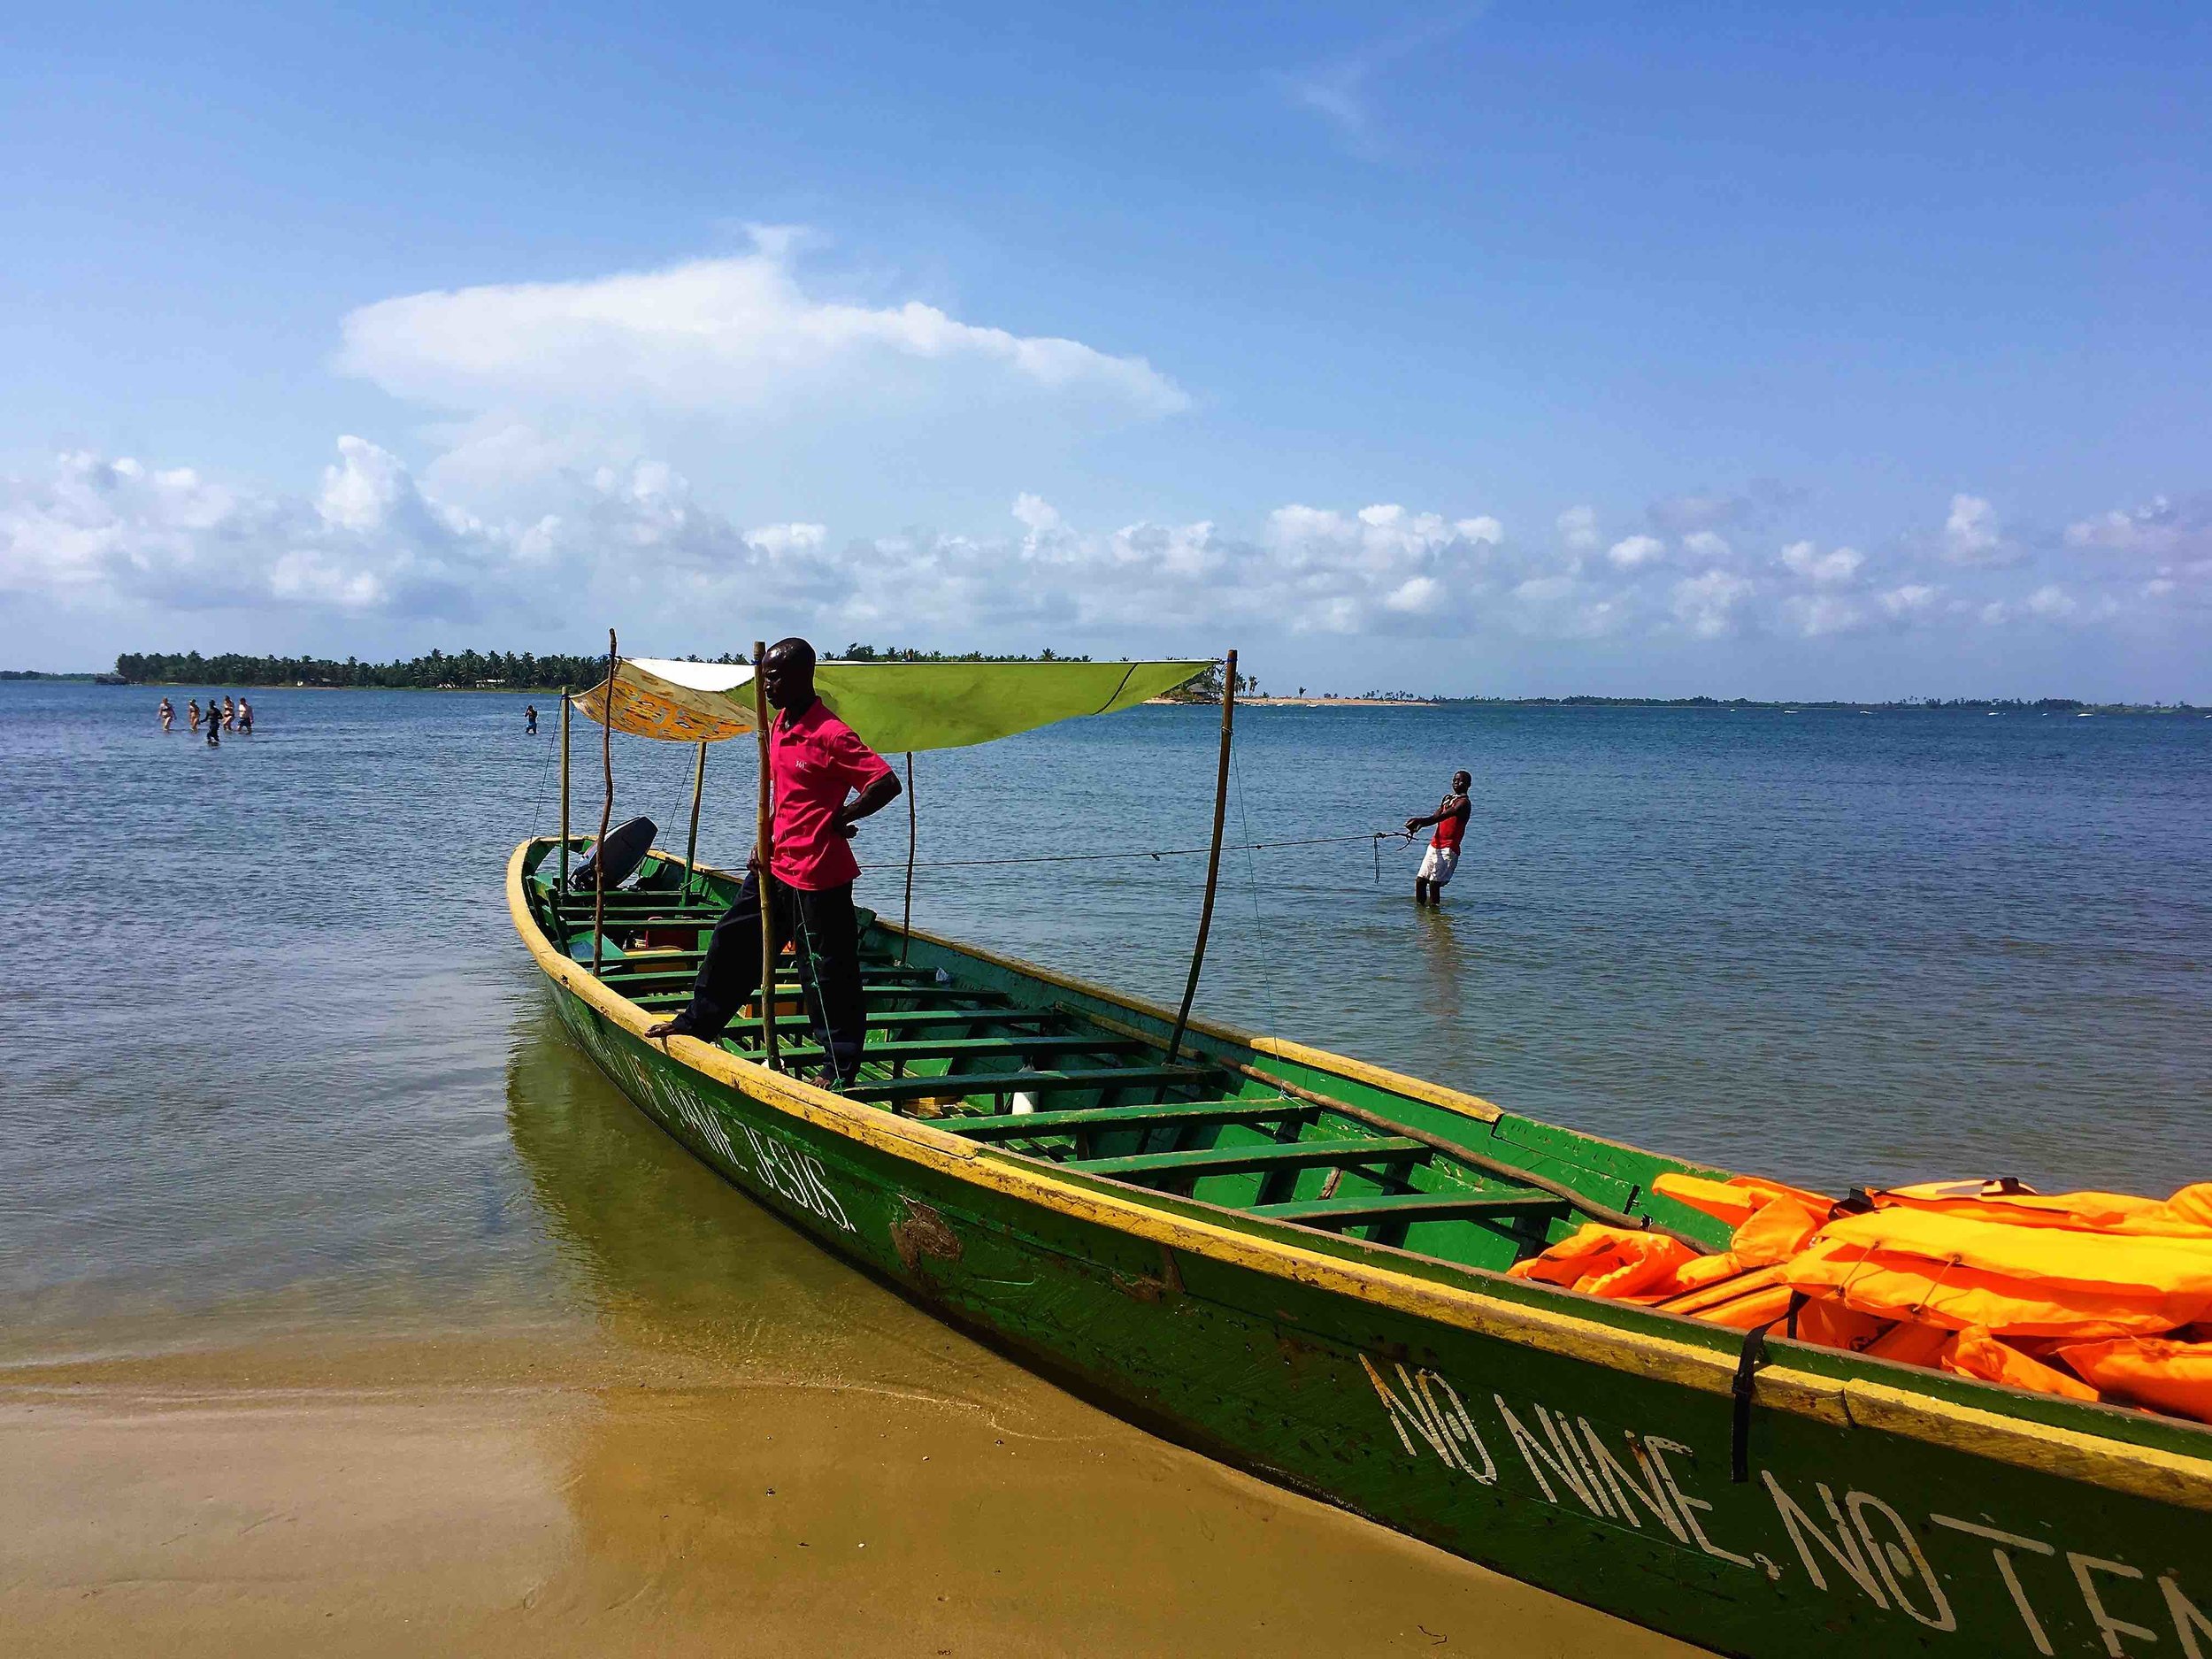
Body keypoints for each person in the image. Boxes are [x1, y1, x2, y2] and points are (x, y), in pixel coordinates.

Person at [648, 638, 902, 1086]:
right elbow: (783, 796)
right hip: (777, 863)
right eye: (764, 676)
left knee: (824, 970)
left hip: (820, 874)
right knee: (732, 942)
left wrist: (839, 817)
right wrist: (764, 837)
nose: (767, 685)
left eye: (776, 676)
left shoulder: (831, 733)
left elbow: (884, 782)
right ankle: (697, 1023)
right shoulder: (780, 725)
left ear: (805, 676)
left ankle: (839, 1067)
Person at [1404, 770, 1471, 906]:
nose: (1457, 783)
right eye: (1455, 780)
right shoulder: (1448, 799)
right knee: (1420, 881)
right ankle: (1421, 913)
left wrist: (1420, 821)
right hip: (1435, 846)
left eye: (1461, 781)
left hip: (1449, 848)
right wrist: (1419, 825)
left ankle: (1435, 916)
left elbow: (1444, 816)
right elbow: (1435, 818)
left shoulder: (1464, 803)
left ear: (1469, 785)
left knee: (1434, 883)